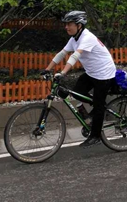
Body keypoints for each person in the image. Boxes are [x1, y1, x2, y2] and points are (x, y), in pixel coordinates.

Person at [45, 11, 116, 148]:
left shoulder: (87, 37)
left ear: (79, 25)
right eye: (66, 24)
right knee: (77, 92)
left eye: (69, 24)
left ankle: (95, 136)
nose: (66, 27)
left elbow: (75, 56)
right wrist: (47, 69)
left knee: (98, 106)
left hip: (104, 74)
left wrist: (63, 72)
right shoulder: (74, 39)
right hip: (92, 73)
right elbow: (62, 53)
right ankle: (95, 109)